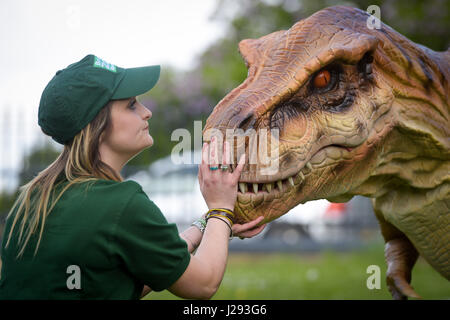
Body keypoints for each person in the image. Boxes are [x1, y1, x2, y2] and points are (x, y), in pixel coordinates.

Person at [0, 55, 266, 300]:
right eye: (130, 105)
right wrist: (220, 207)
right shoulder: (120, 204)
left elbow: (116, 281)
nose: (146, 111)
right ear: (97, 124)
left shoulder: (32, 201)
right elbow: (203, 284)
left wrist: (209, 225)